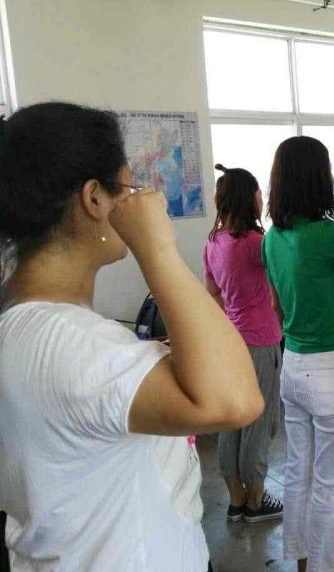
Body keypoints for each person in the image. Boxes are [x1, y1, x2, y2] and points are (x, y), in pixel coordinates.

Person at [0, 102, 263, 570]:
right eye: (129, 189)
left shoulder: (23, 323)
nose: (140, 200)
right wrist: (158, 250)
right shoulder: (73, 345)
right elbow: (236, 401)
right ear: (94, 199)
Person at [264, 136, 334, 572]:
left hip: (294, 364)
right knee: (330, 486)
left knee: (299, 474)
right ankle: (323, 567)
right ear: (319, 179)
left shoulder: (273, 238)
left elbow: (276, 307)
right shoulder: (330, 238)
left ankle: (303, 563)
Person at [204, 164, 284, 523]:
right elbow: (283, 280)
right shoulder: (256, 243)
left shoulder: (213, 243)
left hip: (229, 344)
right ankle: (255, 501)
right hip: (260, 344)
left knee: (232, 420)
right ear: (250, 198)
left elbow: (213, 294)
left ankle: (235, 499)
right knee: (258, 422)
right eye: (258, 193)